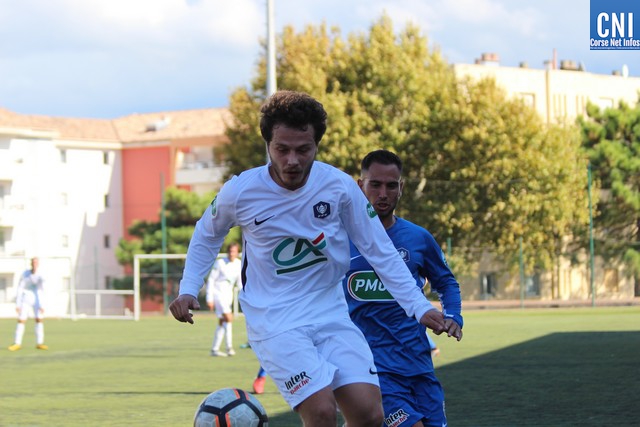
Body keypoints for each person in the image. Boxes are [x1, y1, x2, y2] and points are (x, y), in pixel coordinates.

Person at [169, 90, 449, 427]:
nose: (292, 160)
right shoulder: (241, 191)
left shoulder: (339, 187)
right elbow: (206, 234)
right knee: (321, 411)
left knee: (369, 414)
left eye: (303, 150)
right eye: (281, 149)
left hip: (330, 313)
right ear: (268, 145)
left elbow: (380, 250)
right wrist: (188, 288)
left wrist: (419, 306)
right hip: (274, 319)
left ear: (317, 145)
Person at [342, 150, 463, 427]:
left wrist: (453, 315)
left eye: (391, 185)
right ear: (360, 186)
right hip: (371, 368)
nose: (383, 194)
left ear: (401, 188)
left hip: (418, 362)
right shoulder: (340, 239)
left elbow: (446, 282)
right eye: (375, 184)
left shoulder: (418, 238)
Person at [206, 241, 242, 357]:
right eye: (230, 251)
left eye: (234, 251)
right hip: (218, 294)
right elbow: (211, 280)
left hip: (228, 296)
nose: (232, 253)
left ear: (237, 253)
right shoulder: (220, 263)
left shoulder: (239, 264)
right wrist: (209, 298)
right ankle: (229, 347)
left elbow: (240, 283)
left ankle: (215, 349)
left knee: (222, 321)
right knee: (229, 317)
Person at [8, 257, 48, 351]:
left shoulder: (41, 275)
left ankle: (40, 343)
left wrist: (43, 305)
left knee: (39, 320)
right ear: (31, 263)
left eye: (36, 262)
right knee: (21, 320)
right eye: (33, 262)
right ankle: (17, 343)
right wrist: (18, 304)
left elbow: (44, 289)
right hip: (25, 300)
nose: (34, 264)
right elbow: (20, 288)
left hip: (37, 300)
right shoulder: (25, 274)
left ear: (38, 264)